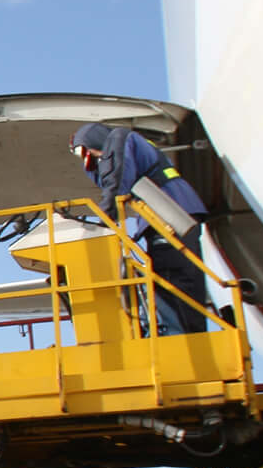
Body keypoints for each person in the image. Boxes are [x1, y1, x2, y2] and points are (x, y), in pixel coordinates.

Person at [72, 123, 215, 335]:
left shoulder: (119, 139)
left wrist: (104, 217)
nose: (92, 158)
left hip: (168, 214)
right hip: (170, 212)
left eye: (86, 152)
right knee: (182, 279)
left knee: (172, 278)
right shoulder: (131, 143)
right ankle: (187, 333)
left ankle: (178, 336)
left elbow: (116, 177)